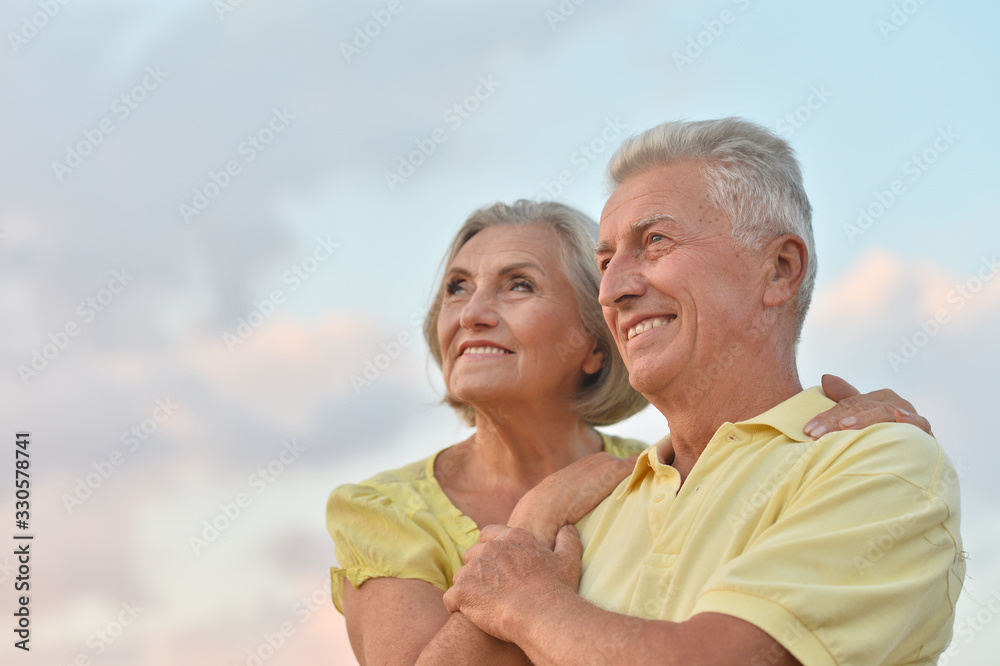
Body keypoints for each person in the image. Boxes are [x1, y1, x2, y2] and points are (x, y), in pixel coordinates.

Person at [443, 118, 965, 665]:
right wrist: (528, 525)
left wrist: (529, 607)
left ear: (780, 270)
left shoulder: (880, 463)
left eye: (655, 242)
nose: (613, 290)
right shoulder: (584, 505)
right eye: (604, 263)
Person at [327, 198, 932, 664]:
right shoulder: (382, 511)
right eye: (457, 287)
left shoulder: (665, 473)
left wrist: (871, 442)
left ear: (596, 339)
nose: (471, 312)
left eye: (519, 284)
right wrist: (533, 527)